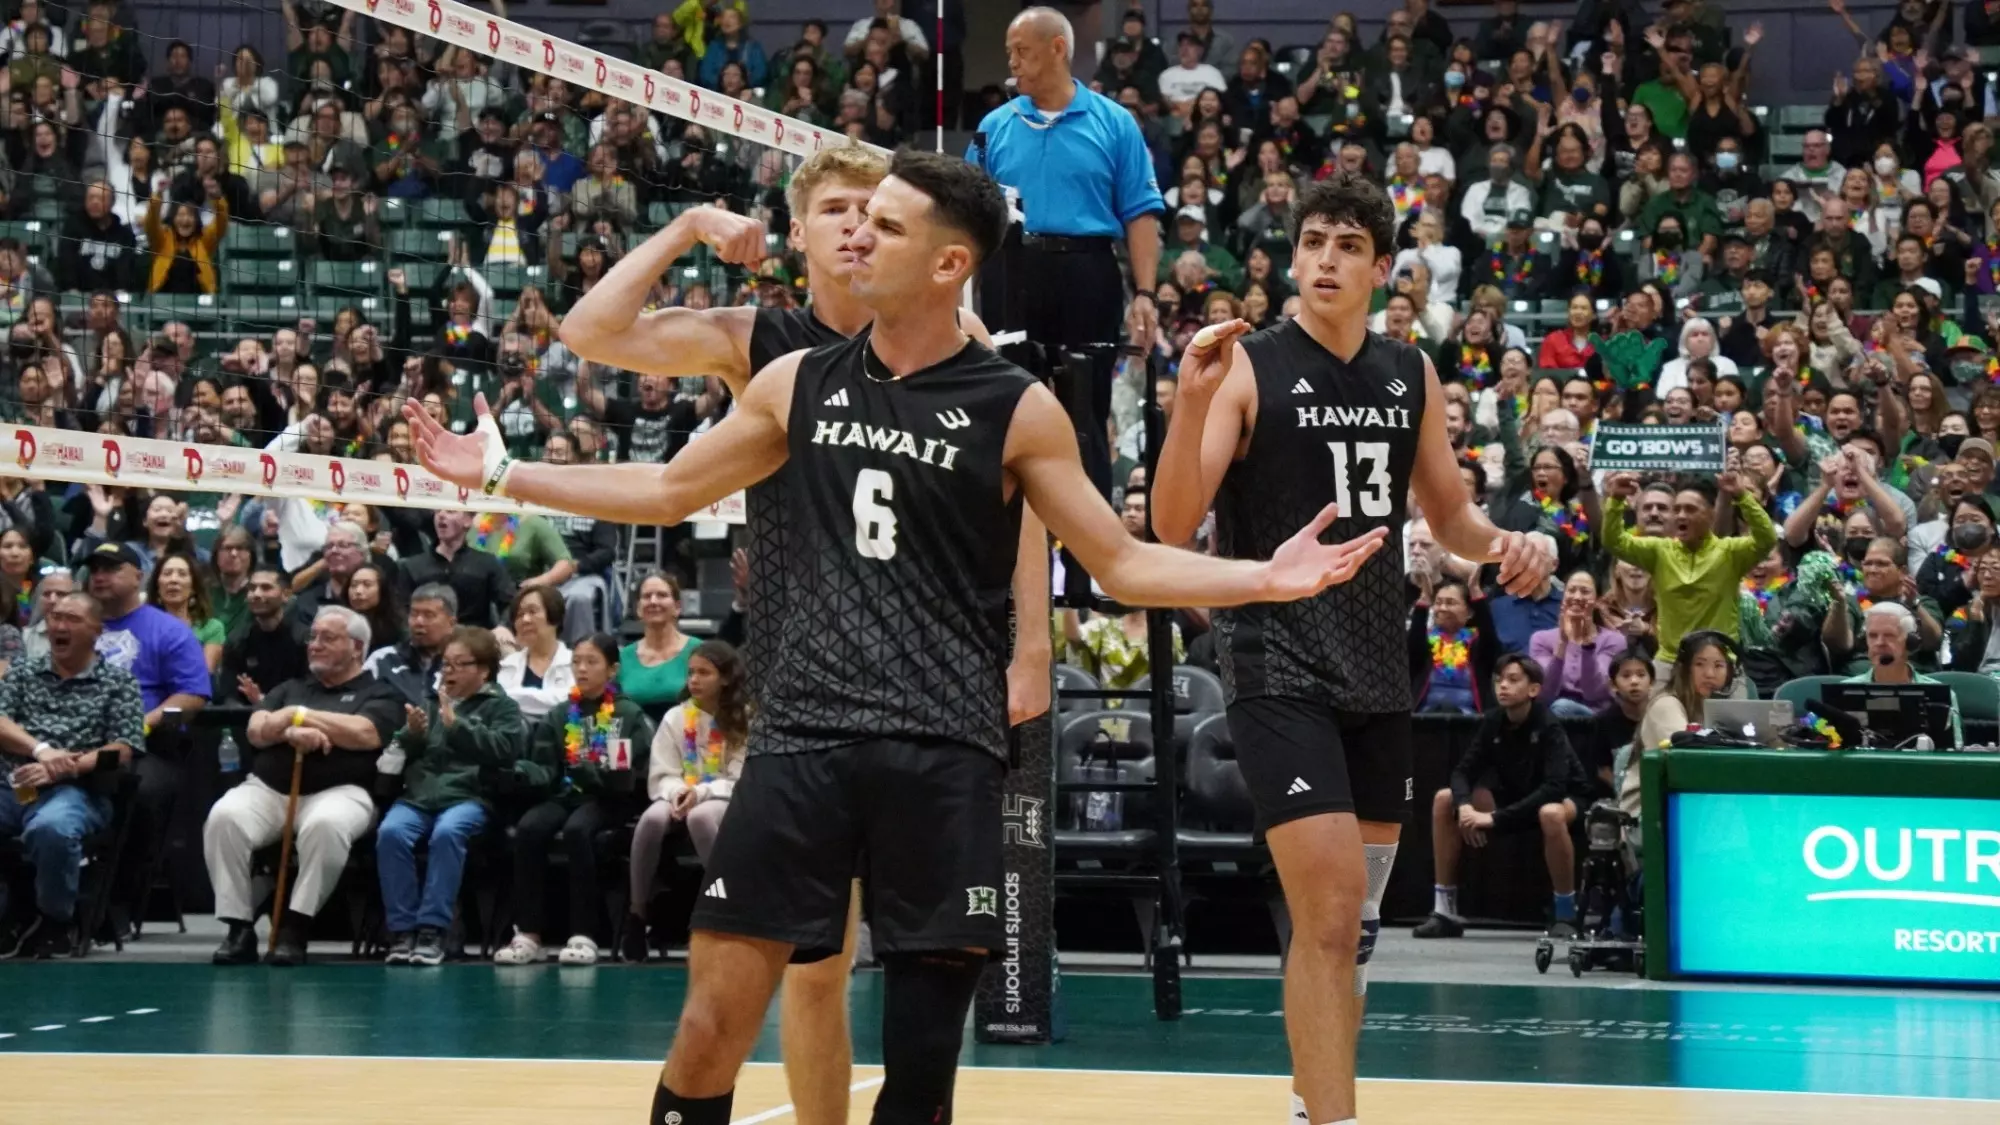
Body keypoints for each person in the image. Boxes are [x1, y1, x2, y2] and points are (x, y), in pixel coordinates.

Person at [404, 150, 1386, 1125]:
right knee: (709, 1024)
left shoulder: (1014, 406)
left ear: (950, 264)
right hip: (799, 744)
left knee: (918, 1075)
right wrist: (501, 476)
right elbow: (667, 487)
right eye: (853, 217)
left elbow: (1120, 562)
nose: (857, 237)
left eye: (887, 225)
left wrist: (1259, 576)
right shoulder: (794, 378)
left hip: (941, 755)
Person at [555, 140, 1041, 1124]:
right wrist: (690, 225)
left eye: (877, 208)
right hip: (798, 679)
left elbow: (1021, 490)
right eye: (835, 211)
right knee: (808, 963)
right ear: (798, 233)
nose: (859, 225)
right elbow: (589, 331)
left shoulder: (958, 338)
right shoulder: (757, 340)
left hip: (926, 686)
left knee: (873, 977)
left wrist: (1029, 648)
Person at [1146, 169, 1554, 1125]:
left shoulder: (1408, 371)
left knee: (1354, 930)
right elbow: (1170, 522)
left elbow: (1452, 517)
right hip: (1274, 660)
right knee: (1327, 916)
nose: (1325, 261)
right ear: (1294, 258)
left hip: (1377, 666)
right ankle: (1336, 1117)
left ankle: (1308, 1099)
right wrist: (1191, 404)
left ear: (1380, 267)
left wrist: (1511, 544)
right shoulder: (1249, 363)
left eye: (1347, 246)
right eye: (1312, 243)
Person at [971, 8, 1166, 498]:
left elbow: (1141, 214)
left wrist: (1145, 292)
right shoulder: (993, 127)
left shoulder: (1114, 123)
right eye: (1010, 52)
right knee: (1008, 411)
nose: (1012, 62)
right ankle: (1011, 559)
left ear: (1058, 48)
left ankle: (1090, 565)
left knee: (1086, 415)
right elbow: (966, 216)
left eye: (1023, 51)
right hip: (1009, 271)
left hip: (1088, 273)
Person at [204, 606, 405, 966]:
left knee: (325, 825)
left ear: (357, 647)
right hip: (268, 789)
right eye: (313, 637)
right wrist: (289, 728)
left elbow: (366, 733)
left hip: (343, 791)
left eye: (328, 638)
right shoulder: (292, 687)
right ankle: (239, 926)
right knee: (224, 816)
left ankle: (295, 928)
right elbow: (256, 728)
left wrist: (299, 717)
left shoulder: (379, 694)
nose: (315, 645)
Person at [0, 592, 144, 958]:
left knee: (51, 829)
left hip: (76, 791)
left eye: (71, 619)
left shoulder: (118, 683)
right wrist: (41, 751)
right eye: (54, 618)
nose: (59, 626)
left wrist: (67, 767)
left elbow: (123, 748)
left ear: (96, 631)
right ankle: (12, 911)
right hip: (12, 784)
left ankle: (55, 920)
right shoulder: (23, 673)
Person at [501, 631, 655, 966]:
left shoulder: (629, 716)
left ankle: (584, 934)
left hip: (609, 799)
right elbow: (544, 768)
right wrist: (525, 773)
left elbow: (628, 777)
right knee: (529, 828)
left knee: (577, 831)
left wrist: (592, 771)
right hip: (566, 794)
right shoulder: (559, 715)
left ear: (612, 670)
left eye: (591, 662)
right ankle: (528, 933)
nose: (581, 669)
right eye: (576, 662)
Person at [377, 626, 526, 966]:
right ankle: (402, 930)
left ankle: (432, 929)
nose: (450, 672)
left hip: (469, 797)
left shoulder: (501, 707)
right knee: (390, 832)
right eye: (446, 664)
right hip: (419, 796)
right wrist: (412, 735)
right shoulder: (429, 704)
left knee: (448, 832)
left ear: (484, 670)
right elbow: (401, 751)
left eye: (460, 664)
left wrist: (457, 725)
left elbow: (504, 750)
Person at [1416, 653, 1583, 939]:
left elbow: (1555, 787)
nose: (1502, 686)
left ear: (1533, 689)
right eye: (1499, 680)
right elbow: (1461, 773)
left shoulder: (1548, 724)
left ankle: (1565, 912)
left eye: (1513, 680)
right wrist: (1466, 807)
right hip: (1513, 798)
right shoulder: (1493, 721)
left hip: (1564, 798)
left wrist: (1494, 819)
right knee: (1445, 799)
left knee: (1551, 814)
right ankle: (1444, 910)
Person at [626, 639, 749, 960]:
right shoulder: (676, 717)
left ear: (724, 678)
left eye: (704, 673)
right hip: (681, 791)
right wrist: (678, 791)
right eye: (691, 672)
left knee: (701, 817)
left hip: (724, 797)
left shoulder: (742, 719)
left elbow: (741, 778)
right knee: (652, 819)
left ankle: (724, 907)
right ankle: (638, 913)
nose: (694, 680)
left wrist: (701, 793)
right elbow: (663, 772)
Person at [1601, 471, 1776, 690]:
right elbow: (1613, 541)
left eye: (1690, 509)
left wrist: (1742, 495)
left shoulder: (1730, 553)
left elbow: (1767, 538)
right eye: (1677, 509)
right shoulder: (1659, 551)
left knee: (1730, 725)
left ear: (1711, 516)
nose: (1681, 516)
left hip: (1720, 663)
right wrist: (1616, 500)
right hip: (1670, 662)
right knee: (1661, 723)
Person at [1622, 631, 1735, 841]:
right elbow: (1688, 764)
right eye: (1700, 664)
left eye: (1719, 666)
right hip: (1648, 812)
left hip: (1692, 807)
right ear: (1684, 669)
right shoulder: (1666, 704)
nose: (1709, 673)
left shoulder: (1711, 708)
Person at [1842, 601, 1963, 748]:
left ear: (1911, 643)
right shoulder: (1845, 691)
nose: (1879, 643)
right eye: (1872, 636)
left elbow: (1955, 753)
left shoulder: (1941, 695)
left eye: (1889, 635)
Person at [1528, 570, 1627, 718]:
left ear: (1598, 600)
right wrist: (1562, 644)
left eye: (1585, 591)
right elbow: (1544, 693)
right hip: (1550, 718)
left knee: (1562, 707)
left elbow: (1595, 693)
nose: (1577, 597)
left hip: (1595, 719)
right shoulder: (1541, 639)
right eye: (1571, 590)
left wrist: (1587, 646)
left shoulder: (1614, 640)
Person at [399, 510, 516, 630]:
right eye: (438, 511)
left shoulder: (487, 562)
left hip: (474, 639)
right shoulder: (412, 566)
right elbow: (400, 610)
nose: (441, 515)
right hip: (427, 637)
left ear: (468, 521)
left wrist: (503, 627)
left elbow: (511, 603)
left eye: (450, 511)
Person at [221, 565, 308, 705]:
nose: (256, 594)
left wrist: (265, 702)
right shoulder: (237, 640)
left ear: (286, 595)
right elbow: (229, 694)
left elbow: (311, 692)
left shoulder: (304, 639)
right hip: (246, 718)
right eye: (252, 588)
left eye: (266, 588)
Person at [619, 572, 695, 722]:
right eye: (647, 596)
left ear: (677, 607)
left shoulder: (698, 651)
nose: (653, 601)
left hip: (688, 740)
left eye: (662, 595)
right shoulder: (622, 658)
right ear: (638, 609)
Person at [364, 583, 455, 708]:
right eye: (413, 614)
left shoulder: (464, 662)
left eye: (429, 615)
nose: (419, 622)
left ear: (451, 623)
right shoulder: (383, 659)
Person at [494, 586, 574, 720]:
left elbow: (570, 702)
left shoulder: (575, 663)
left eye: (532, 611)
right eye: (519, 615)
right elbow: (496, 704)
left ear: (554, 616)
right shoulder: (505, 666)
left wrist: (512, 697)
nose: (525, 619)